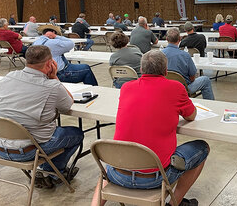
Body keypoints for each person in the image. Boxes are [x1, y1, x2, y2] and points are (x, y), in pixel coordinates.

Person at [93, 50, 209, 206]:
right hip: (154, 178)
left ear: (141, 70)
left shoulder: (126, 88)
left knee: (108, 169)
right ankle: (174, 203)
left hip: (117, 174)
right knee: (202, 148)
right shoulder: (176, 88)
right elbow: (191, 115)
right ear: (166, 70)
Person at [0, 45, 83, 188]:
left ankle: (48, 171)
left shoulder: (9, 77)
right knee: (76, 134)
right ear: (50, 63)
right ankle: (52, 171)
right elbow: (67, 104)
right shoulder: (52, 86)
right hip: (28, 151)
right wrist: (54, 78)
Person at [33, 26, 98, 86]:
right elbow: (71, 44)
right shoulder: (54, 42)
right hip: (59, 74)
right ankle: (95, 90)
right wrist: (56, 36)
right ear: (53, 33)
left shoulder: (35, 42)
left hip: (41, 74)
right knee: (86, 68)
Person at [162, 28, 214, 100]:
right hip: (183, 88)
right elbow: (192, 77)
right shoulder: (185, 55)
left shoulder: (160, 54)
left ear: (167, 39)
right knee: (205, 80)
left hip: (165, 87)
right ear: (179, 39)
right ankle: (210, 105)